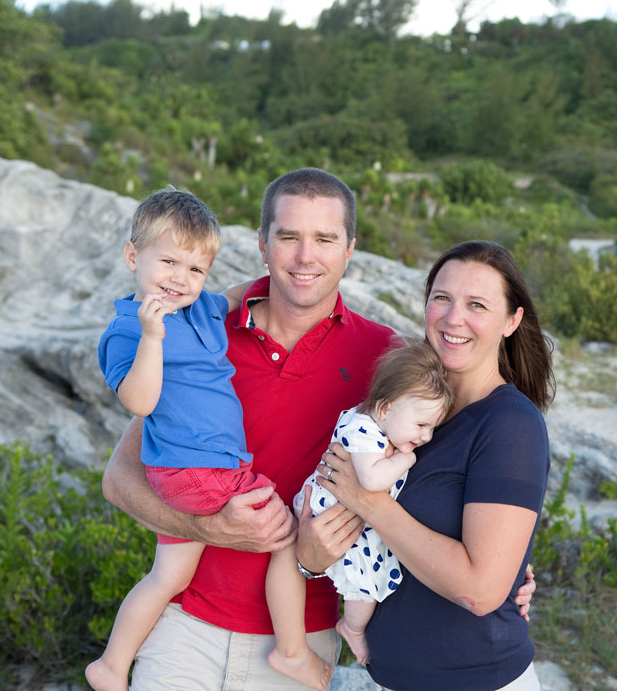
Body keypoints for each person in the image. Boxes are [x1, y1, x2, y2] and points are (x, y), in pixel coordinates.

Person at [100, 171, 535, 691]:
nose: (306, 256)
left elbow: (450, 478)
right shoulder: (198, 337)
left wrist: (511, 574)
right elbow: (120, 479)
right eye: (288, 236)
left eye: (325, 239)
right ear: (262, 244)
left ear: (349, 249)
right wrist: (207, 528)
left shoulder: (388, 362)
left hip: (301, 641)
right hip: (185, 626)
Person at [88, 189, 331, 691]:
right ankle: (292, 652)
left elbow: (235, 296)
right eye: (168, 262)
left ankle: (111, 666)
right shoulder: (128, 331)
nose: (180, 279)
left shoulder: (199, 310)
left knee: (168, 576)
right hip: (199, 471)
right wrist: (152, 339)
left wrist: (281, 276)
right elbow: (139, 401)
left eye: (195, 270)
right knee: (288, 524)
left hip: (198, 468)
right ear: (134, 256)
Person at [316, 240, 555, 691]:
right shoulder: (410, 409)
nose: (453, 318)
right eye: (441, 298)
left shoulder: (511, 425)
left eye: (477, 305)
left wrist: (368, 502)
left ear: (512, 320)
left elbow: (480, 590)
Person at [293, 339, 455, 666]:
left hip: (342, 514)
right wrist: (405, 460)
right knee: (363, 587)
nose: (425, 437)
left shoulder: (377, 428)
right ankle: (352, 628)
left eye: (432, 428)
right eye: (421, 425)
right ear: (385, 409)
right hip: (332, 513)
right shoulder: (363, 428)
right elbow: (371, 480)